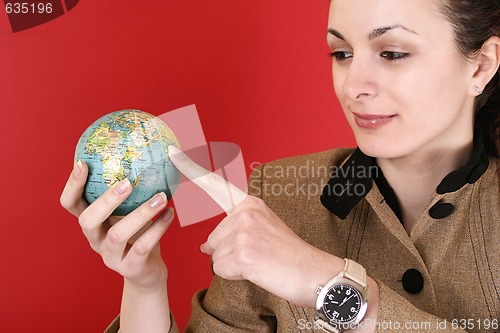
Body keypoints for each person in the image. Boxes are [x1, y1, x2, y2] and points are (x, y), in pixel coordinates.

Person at [61, 0, 500, 332]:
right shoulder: (276, 196)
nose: (353, 86)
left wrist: (325, 280)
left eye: (393, 53)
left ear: (480, 66)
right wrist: (144, 283)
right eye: (341, 53)